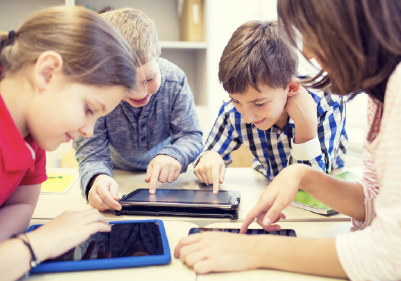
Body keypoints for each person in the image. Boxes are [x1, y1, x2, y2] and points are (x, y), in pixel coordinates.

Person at [174, 0, 401, 279]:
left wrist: (253, 249)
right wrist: (301, 175)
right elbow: (373, 202)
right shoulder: (381, 96)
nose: (305, 51)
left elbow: (391, 254)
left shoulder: (362, 95)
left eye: (312, 29)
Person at [0, 6, 137, 280]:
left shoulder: (33, 135)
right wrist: (39, 243)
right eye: (89, 109)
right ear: (47, 73)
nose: (89, 131)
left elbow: (22, 205)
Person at [194, 20, 348, 193]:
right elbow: (207, 156)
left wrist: (305, 124)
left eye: (259, 103)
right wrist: (209, 158)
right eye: (236, 100)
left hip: (327, 194)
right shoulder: (233, 111)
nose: (247, 117)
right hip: (268, 184)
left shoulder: (328, 102)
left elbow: (311, 186)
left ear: (291, 88)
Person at [74, 8, 203, 212]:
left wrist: (174, 155)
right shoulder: (97, 91)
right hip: (115, 176)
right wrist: (97, 179)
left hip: (168, 182)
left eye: (149, 79)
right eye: (126, 84)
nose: (139, 92)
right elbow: (92, 153)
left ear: (158, 56)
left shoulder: (175, 80)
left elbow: (191, 135)